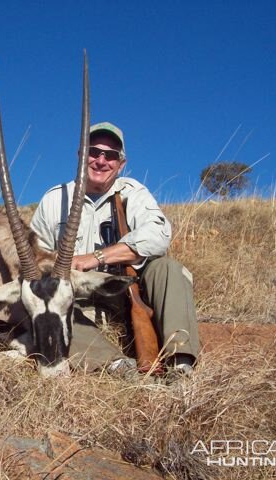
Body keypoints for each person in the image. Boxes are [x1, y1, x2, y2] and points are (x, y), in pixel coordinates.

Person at [30, 122, 200, 375]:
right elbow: (35, 257)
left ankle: (181, 363)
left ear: (121, 164)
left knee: (168, 269)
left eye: (110, 155)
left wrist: (98, 257)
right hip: (75, 298)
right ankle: (116, 366)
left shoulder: (133, 193)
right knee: (45, 302)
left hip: (125, 292)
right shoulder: (55, 198)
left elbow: (159, 235)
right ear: (80, 156)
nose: (100, 160)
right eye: (93, 152)